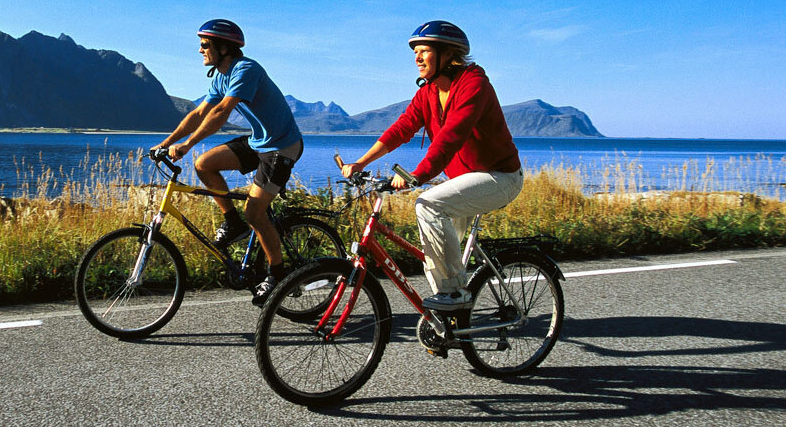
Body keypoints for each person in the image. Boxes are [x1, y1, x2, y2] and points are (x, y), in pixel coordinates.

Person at [340, 20, 523, 311]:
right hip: (463, 179)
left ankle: (455, 294)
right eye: (416, 52)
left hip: (499, 176)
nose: (417, 57)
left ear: (448, 54)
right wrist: (360, 162)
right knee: (435, 255)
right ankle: (447, 320)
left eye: (424, 50)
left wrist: (417, 176)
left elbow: (450, 137)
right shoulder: (428, 92)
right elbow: (401, 129)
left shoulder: (473, 84)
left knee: (428, 205)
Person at [153, 19, 304, 303]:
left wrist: (187, 145)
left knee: (256, 213)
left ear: (224, 47)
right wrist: (166, 142)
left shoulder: (246, 70)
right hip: (259, 142)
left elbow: (222, 110)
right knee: (204, 164)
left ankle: (278, 274)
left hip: (282, 146)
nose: (200, 50)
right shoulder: (220, 76)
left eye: (204, 45)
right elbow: (200, 113)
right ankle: (232, 222)